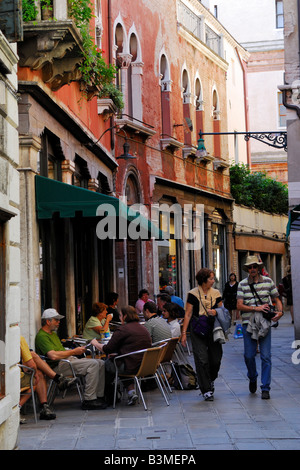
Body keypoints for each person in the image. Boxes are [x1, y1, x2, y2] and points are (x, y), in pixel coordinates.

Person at [35, 308, 107, 410]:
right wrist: (74, 351)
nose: (59, 322)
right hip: (57, 365)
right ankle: (89, 399)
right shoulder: (42, 336)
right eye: (56, 320)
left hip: (67, 360)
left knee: (100, 362)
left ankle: (99, 396)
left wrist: (74, 352)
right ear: (48, 321)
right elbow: (53, 356)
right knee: (93, 364)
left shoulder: (53, 334)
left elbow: (60, 351)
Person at [236, 255, 283, 399]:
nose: (252, 269)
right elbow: (239, 305)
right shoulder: (242, 284)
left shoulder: (268, 282)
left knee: (266, 356)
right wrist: (256, 308)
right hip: (247, 323)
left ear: (259, 268)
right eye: (249, 267)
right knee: (249, 356)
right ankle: (252, 377)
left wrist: (280, 312)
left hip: (264, 324)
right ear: (247, 269)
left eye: (254, 266)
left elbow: (277, 299)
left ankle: (265, 388)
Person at [91, 306, 152, 406]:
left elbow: (107, 349)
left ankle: (102, 395)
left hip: (130, 366)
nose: (119, 318)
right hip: (144, 365)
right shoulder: (143, 328)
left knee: (106, 364)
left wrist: (95, 343)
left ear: (125, 316)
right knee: (119, 361)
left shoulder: (122, 330)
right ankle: (131, 392)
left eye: (120, 315)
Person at [180, 268, 223, 401]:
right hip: (197, 328)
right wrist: (184, 334)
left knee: (216, 359)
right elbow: (187, 314)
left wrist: (216, 312)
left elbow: (222, 310)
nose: (213, 281)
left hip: (213, 328)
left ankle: (209, 379)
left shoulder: (216, 293)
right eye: (210, 278)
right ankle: (206, 389)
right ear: (203, 280)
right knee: (201, 359)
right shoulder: (192, 294)